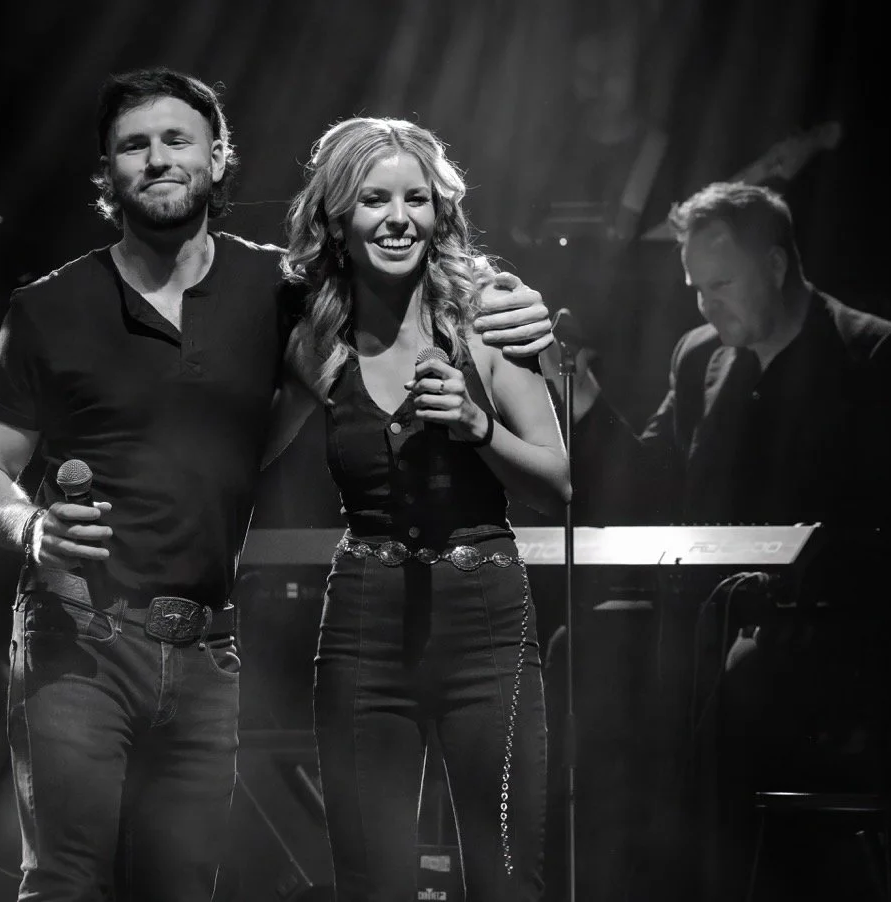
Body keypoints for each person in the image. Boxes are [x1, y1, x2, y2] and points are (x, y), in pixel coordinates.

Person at [0, 68, 554, 902]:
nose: (159, 159)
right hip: (78, 637)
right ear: (108, 173)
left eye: (178, 140)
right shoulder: (49, 308)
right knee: (66, 881)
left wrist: (519, 305)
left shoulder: (288, 292)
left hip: (206, 648)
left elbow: (406, 275)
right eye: (135, 145)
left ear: (218, 156)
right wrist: (28, 528)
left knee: (183, 885)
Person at [541, 182, 891, 900]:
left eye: (720, 284)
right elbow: (648, 483)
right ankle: (591, 877)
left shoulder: (871, 357)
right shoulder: (700, 358)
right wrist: (583, 390)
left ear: (779, 266)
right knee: (582, 646)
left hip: (818, 622)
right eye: (695, 288)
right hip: (699, 611)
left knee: (743, 673)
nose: (705, 304)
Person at [263, 117, 571, 902]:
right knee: (373, 883)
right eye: (374, 199)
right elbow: (244, 457)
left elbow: (556, 481)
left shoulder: (488, 319)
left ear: (441, 214)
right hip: (365, 622)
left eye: (417, 199)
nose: (399, 216)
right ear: (338, 216)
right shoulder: (316, 340)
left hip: (486, 624)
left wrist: (476, 426)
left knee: (508, 879)